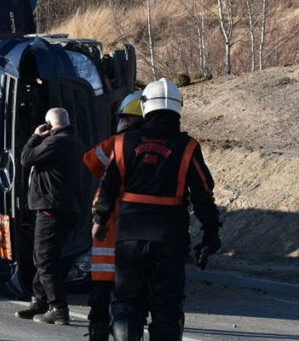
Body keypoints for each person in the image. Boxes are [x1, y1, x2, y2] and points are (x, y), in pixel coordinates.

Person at [92, 78, 222, 341]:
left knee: (127, 302)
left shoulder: (122, 142)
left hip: (129, 235)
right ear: (178, 108)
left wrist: (100, 218)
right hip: (170, 237)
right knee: (166, 306)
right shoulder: (188, 146)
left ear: (146, 106)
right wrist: (210, 234)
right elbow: (203, 194)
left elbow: (108, 186)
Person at [81, 91, 144, 341]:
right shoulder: (162, 146)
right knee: (134, 302)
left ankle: (99, 335)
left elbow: (91, 160)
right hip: (140, 234)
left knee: (101, 298)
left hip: (108, 229)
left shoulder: (117, 144)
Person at [14, 107, 85, 326]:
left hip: (51, 208)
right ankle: (40, 300)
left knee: (44, 259)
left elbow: (26, 159)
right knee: (45, 257)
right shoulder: (75, 141)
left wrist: (35, 136)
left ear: (49, 124)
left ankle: (58, 307)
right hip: (64, 208)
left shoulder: (56, 142)